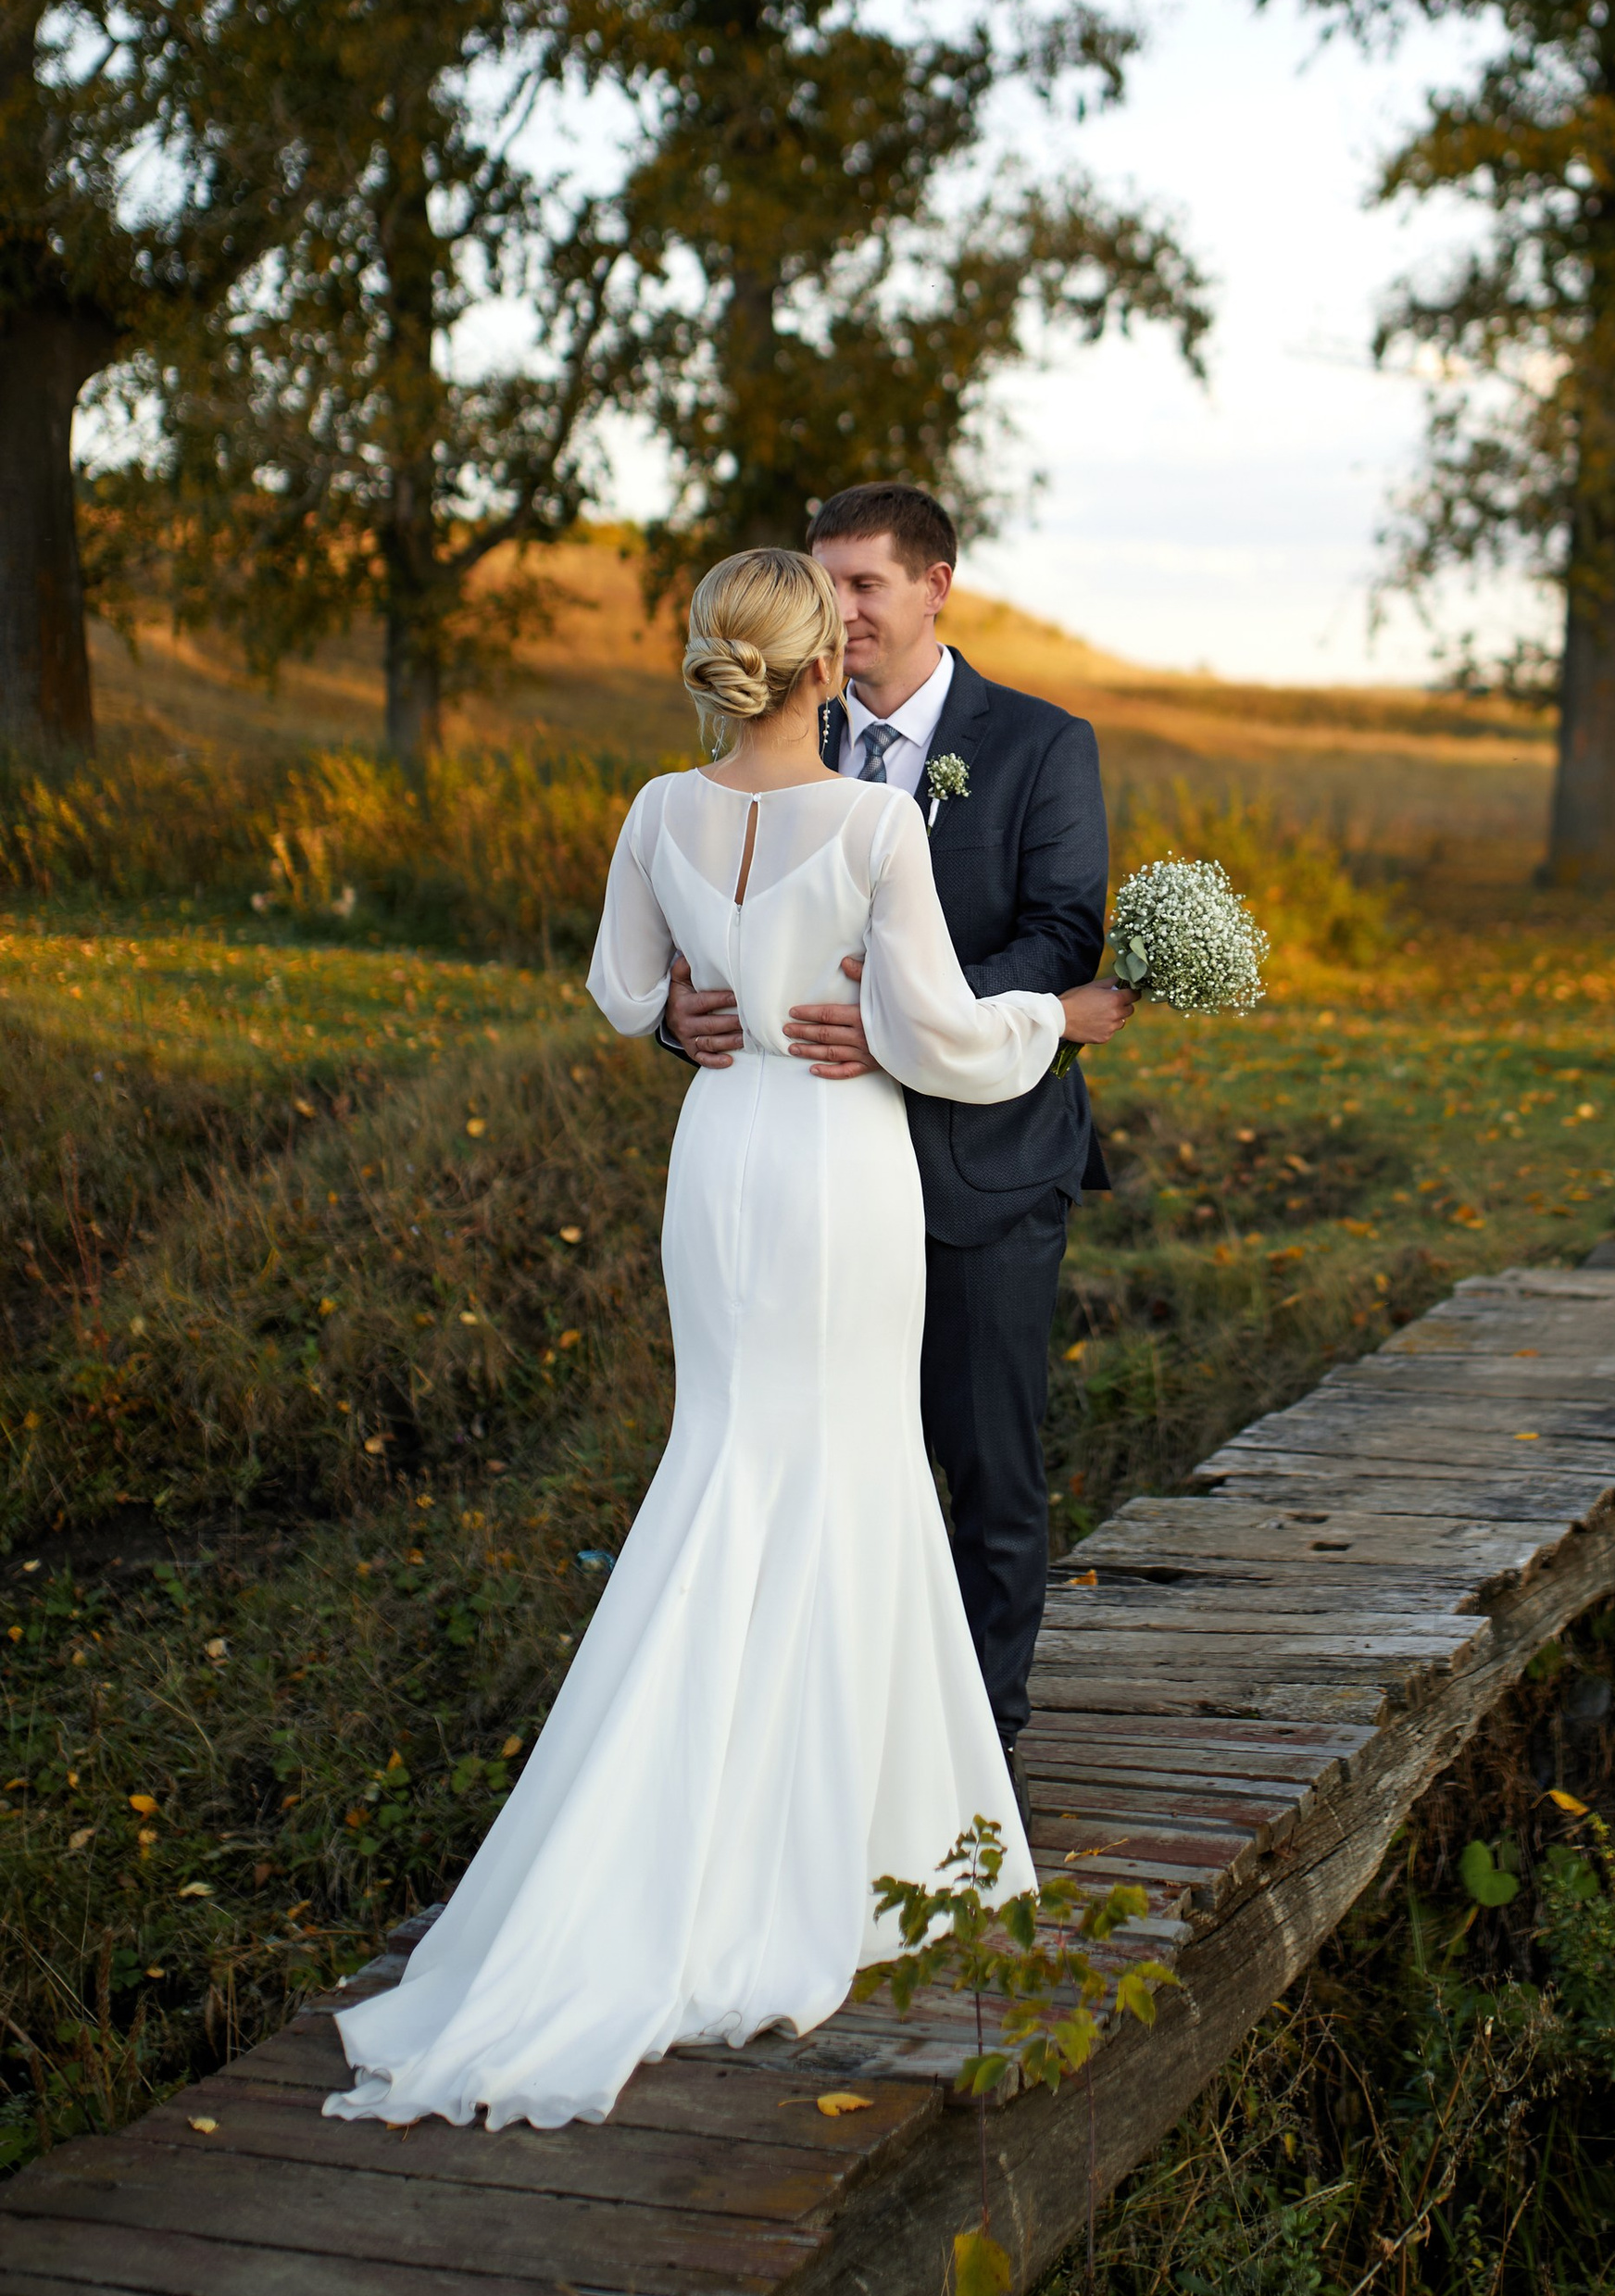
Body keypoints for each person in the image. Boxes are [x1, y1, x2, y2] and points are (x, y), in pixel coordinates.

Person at [322, 547, 1133, 2133]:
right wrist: (1063, 1017)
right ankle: (842, 1842)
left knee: (728, 1460)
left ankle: (680, 1819)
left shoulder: (655, 809)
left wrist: (693, 1012)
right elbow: (938, 1037)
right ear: (826, 664)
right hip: (836, 1161)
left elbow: (621, 985)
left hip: (720, 1154)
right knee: (846, 1465)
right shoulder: (877, 824)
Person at [660, 483, 1124, 1824]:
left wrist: (905, 1019)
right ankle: (816, 1748)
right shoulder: (763, 739)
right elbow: (704, 940)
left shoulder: (1040, 745)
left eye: (866, 584)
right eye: (826, 585)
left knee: (985, 1469)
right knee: (814, 1458)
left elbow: (1062, 935)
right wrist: (678, 1014)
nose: (842, 611)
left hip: (982, 1167)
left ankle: (976, 1765)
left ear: (936, 588)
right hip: (806, 1176)